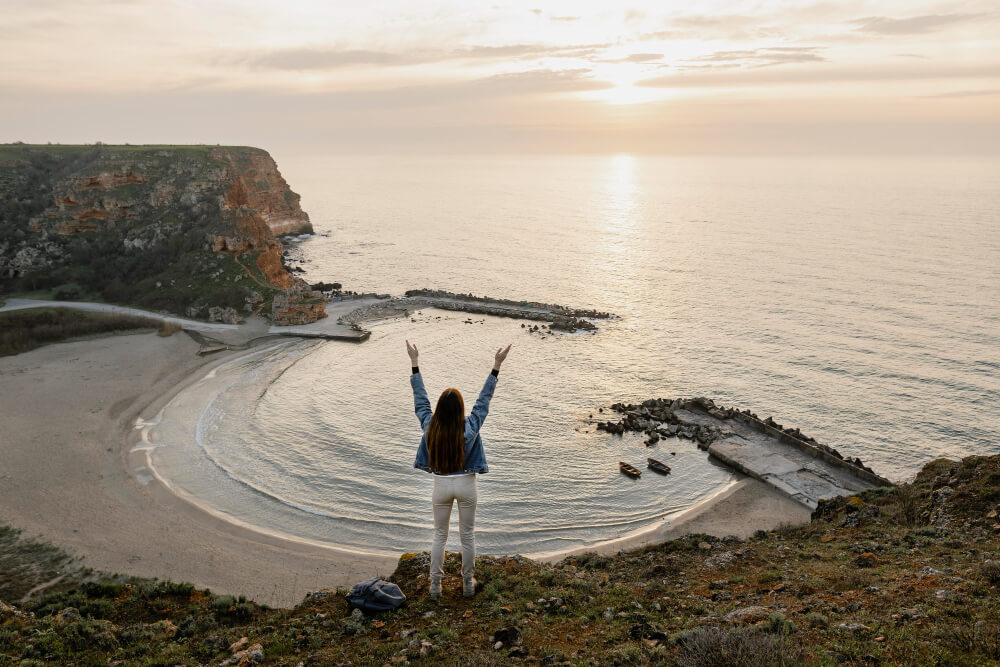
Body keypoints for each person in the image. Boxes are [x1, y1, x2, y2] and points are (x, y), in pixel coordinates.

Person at [406, 339, 511, 599]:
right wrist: (496, 366)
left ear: (440, 409)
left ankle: (435, 586)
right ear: (460, 409)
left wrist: (415, 363)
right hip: (466, 485)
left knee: (439, 536)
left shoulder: (430, 427)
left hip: (441, 486)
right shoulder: (471, 427)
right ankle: (467, 584)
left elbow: (420, 401)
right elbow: (483, 401)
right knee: (468, 536)